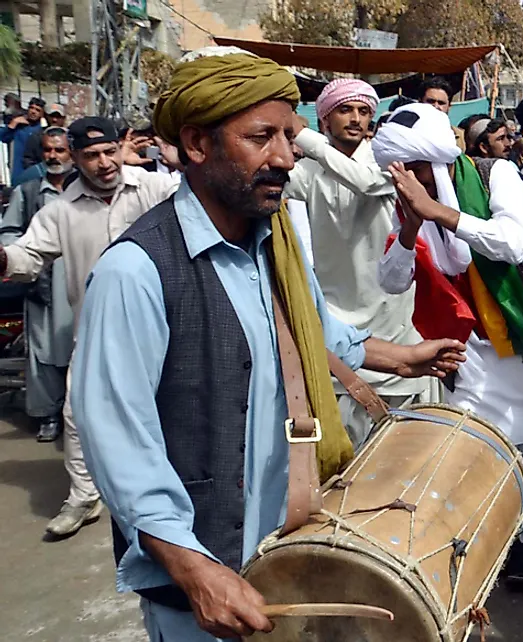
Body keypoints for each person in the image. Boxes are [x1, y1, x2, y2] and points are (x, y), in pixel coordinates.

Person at [71, 47, 465, 642]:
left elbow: (322, 338)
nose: (285, 157)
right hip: (204, 580)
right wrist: (191, 568)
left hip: (285, 551)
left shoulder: (273, 240)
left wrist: (407, 355)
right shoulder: (137, 271)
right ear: (198, 145)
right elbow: (118, 441)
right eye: (262, 137)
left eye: (290, 134)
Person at [375, 103, 523, 591]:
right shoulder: (407, 201)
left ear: (440, 161)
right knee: (472, 449)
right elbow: (391, 279)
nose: (409, 178)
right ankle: (487, 540)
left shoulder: (497, 175)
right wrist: (409, 226)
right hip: (468, 349)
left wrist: (439, 213)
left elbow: (510, 244)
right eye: (400, 170)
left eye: (417, 168)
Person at [0, 116, 180, 539]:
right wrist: (6, 260)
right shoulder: (59, 211)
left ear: (122, 148)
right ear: (74, 160)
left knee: (171, 406)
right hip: (97, 327)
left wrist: (177, 161)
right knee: (79, 412)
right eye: (91, 156)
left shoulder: (156, 189)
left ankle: (172, 493)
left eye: (109, 152)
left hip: (168, 323)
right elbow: (29, 255)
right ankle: (84, 497)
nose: (103, 163)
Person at [285, 78, 429, 446]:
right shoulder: (307, 173)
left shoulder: (387, 163)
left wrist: (304, 138)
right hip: (337, 331)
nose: (356, 118)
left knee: (398, 461)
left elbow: (363, 182)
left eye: (364, 111)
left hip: (395, 327)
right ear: (325, 119)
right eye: (345, 109)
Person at [0, 127, 74, 443]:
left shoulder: (84, 188)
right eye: (48, 150)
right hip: (43, 283)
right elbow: (9, 232)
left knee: (81, 349)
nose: (53, 156)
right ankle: (47, 416)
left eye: (60, 150)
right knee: (43, 353)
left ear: (72, 152)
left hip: (79, 280)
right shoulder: (28, 191)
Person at [2, 97, 44, 184]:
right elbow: (3, 138)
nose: (33, 111)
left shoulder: (43, 130)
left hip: (35, 175)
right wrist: (12, 124)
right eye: (31, 108)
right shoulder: (19, 127)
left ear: (42, 114)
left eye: (37, 110)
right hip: (17, 173)